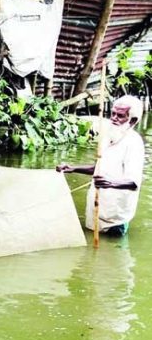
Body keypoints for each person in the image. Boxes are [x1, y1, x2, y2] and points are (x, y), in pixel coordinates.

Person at [56, 95, 145, 236]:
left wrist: (110, 183)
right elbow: (100, 168)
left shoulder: (134, 143)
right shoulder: (109, 136)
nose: (114, 118)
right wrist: (73, 168)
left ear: (132, 120)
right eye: (113, 114)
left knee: (113, 252)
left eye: (120, 116)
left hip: (115, 215)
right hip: (97, 205)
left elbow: (134, 182)